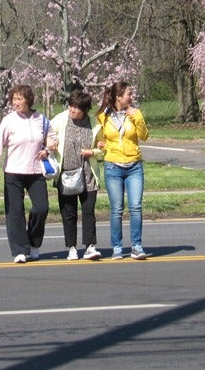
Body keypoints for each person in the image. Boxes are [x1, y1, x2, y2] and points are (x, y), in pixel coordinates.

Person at [0, 84, 51, 263]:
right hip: (14, 172)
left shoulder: (41, 119)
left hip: (36, 171)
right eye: (14, 99)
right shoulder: (9, 120)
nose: (16, 103)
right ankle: (20, 250)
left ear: (28, 100)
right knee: (15, 212)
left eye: (19, 99)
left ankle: (33, 243)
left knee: (41, 208)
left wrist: (47, 150)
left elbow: (51, 139)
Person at [46, 88, 103, 261]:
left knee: (88, 211)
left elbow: (103, 150)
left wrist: (92, 152)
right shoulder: (61, 120)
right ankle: (71, 247)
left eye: (76, 108)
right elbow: (48, 133)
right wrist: (50, 143)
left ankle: (90, 246)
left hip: (88, 175)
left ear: (84, 110)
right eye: (71, 106)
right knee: (68, 212)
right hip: (66, 174)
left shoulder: (94, 124)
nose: (72, 110)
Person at [96, 81, 150, 260]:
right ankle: (117, 247)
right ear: (118, 97)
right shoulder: (103, 116)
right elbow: (100, 138)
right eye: (128, 94)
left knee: (136, 207)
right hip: (113, 166)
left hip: (134, 165)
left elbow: (144, 136)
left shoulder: (135, 113)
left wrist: (138, 118)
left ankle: (136, 245)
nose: (131, 97)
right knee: (116, 209)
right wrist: (101, 146)